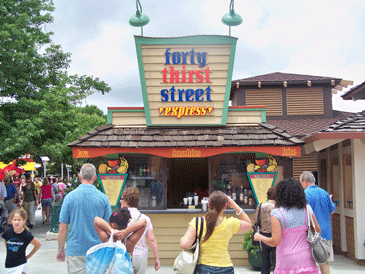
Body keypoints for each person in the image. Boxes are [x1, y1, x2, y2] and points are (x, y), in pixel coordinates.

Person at [254, 178, 320, 274]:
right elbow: (318, 230)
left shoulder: (277, 213)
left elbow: (275, 241)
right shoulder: (307, 209)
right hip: (306, 258)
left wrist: (260, 237)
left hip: (286, 260)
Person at [57, 163, 112, 274]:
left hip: (76, 249)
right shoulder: (103, 198)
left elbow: (63, 227)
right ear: (95, 178)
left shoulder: (69, 197)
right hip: (98, 249)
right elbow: (108, 227)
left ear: (79, 176)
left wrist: (60, 249)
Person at [180, 190, 252, 274]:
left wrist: (182, 239)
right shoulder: (230, 223)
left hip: (204, 268)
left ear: (208, 204)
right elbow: (248, 223)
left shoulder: (198, 222)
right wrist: (236, 207)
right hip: (226, 268)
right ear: (225, 207)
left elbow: (184, 244)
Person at [300, 171, 336, 274]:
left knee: (309, 262)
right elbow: (332, 210)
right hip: (325, 232)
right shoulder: (324, 193)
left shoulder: (305, 194)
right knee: (324, 261)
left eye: (301, 183)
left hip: (311, 233)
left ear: (305, 182)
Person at [120, 187, 160, 273]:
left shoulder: (119, 217)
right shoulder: (145, 219)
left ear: (127, 201)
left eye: (122, 199)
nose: (120, 201)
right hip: (140, 256)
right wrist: (156, 258)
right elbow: (152, 240)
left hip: (123, 255)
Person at [2, 208, 41, 273]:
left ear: (24, 220)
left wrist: (28, 256)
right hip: (8, 264)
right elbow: (6, 243)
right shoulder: (7, 233)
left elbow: (38, 244)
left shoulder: (27, 235)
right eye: (15, 220)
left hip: (21, 264)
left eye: (19, 220)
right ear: (11, 220)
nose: (17, 222)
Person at [253, 186, 276, 274]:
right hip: (275, 236)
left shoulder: (261, 205)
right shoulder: (278, 206)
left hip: (262, 236)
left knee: (265, 264)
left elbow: (256, 220)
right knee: (276, 264)